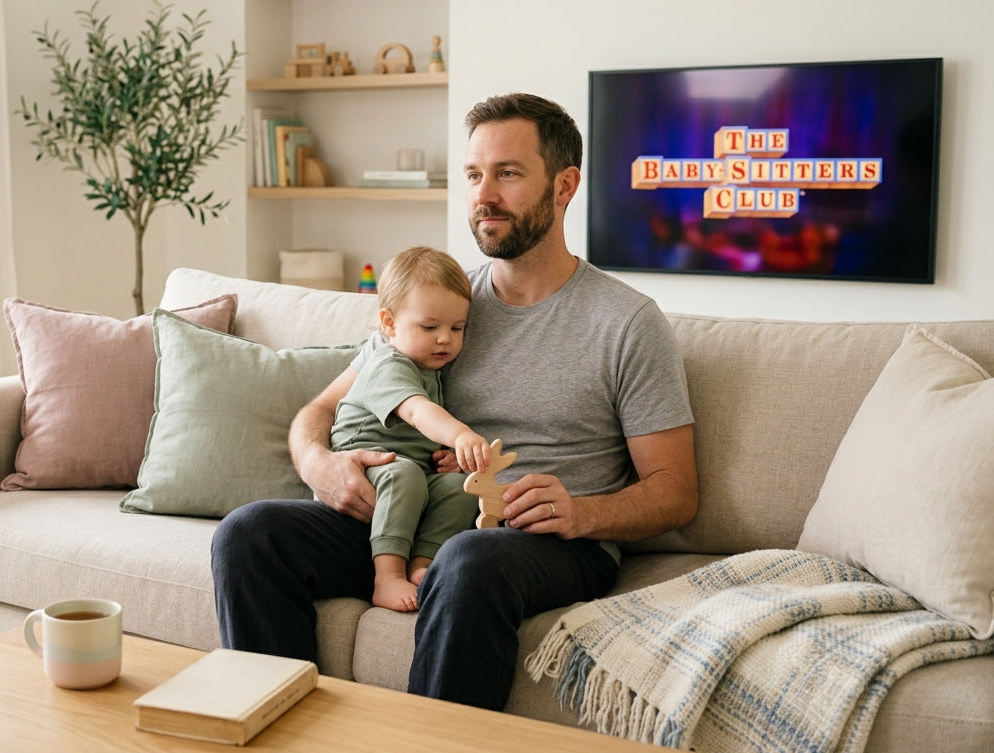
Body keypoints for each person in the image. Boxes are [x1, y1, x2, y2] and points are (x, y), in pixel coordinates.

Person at [211, 93, 698, 711]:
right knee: (250, 534)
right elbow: (323, 409)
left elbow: (676, 490)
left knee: (469, 560)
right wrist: (317, 464)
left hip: (546, 542)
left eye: (508, 173)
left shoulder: (627, 322)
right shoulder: (439, 304)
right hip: (416, 515)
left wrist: (581, 513)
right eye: (473, 174)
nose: (483, 195)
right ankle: (279, 742)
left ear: (564, 186)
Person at [329, 246, 488, 613]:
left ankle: (422, 564)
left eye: (457, 327)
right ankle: (386, 576)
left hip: (408, 465)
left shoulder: (430, 369)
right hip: (365, 459)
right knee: (405, 475)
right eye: (430, 327)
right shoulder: (389, 362)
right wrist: (461, 435)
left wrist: (449, 458)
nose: (445, 338)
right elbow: (417, 413)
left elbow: (420, 438)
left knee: (459, 488)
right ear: (388, 323)